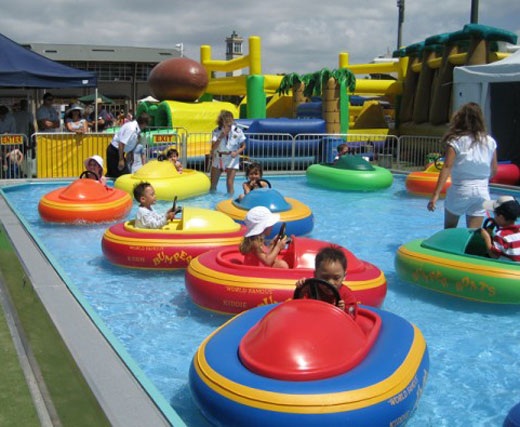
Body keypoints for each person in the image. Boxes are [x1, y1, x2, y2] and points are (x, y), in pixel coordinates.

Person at [427, 102, 497, 229]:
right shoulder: (490, 141)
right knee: (472, 234)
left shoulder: (456, 141)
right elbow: (494, 170)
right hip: (482, 191)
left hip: (461, 189)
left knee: (449, 230)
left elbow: (447, 166)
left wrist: (435, 194)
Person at [296, 245, 354, 313]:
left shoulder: (346, 295)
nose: (331, 282)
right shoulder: (310, 289)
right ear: (315, 275)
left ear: (344, 276)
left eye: (336, 278)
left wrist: (342, 312)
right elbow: (298, 309)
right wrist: (301, 292)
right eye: (325, 277)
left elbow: (351, 317)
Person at [210, 110, 246, 194]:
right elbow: (213, 147)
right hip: (219, 156)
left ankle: (229, 201)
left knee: (230, 184)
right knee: (213, 184)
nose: (229, 124)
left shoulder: (238, 131)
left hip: (232, 158)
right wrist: (220, 136)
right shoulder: (216, 131)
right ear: (222, 122)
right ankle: (212, 202)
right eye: (227, 122)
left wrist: (236, 152)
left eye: (230, 121)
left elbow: (243, 146)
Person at [106, 113, 150, 178]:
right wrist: (121, 160)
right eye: (146, 124)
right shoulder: (131, 129)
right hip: (115, 152)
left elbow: (132, 143)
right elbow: (121, 143)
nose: (146, 126)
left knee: (115, 175)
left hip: (119, 152)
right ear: (144, 123)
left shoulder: (136, 129)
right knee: (123, 175)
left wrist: (131, 154)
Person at [480, 196, 520, 262]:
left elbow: (494, 255)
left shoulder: (501, 235)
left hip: (507, 266)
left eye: (494, 215)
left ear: (501, 217)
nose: (494, 217)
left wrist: (486, 238)